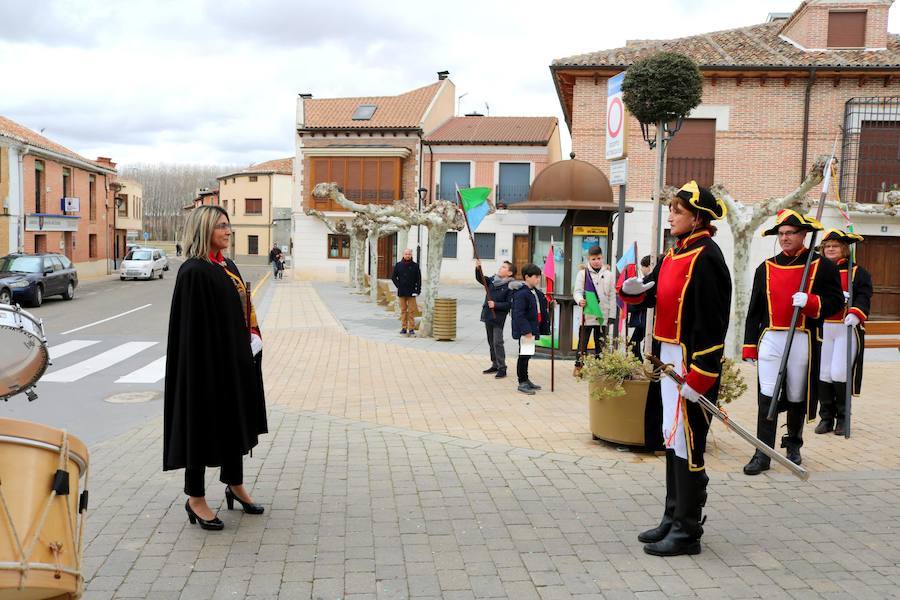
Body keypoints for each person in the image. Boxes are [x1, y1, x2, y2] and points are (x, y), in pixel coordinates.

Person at [620, 181, 732, 557]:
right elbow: (658, 295)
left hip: (690, 362)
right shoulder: (674, 253)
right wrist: (636, 290)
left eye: (677, 211)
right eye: (670, 209)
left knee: (688, 441)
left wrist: (701, 375)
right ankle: (672, 516)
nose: (670, 216)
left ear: (697, 217)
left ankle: (688, 530)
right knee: (672, 437)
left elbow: (713, 322)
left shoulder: (708, 257)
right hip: (668, 358)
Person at [164, 205, 267, 531]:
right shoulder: (195, 271)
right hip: (205, 368)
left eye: (228, 225)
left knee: (235, 420)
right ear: (205, 230)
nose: (228, 230)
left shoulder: (226, 265)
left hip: (234, 362)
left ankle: (234, 484)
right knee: (200, 424)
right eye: (221, 226)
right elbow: (192, 332)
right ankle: (195, 497)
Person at [742, 209, 844, 475]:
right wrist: (749, 344)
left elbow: (835, 302)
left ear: (803, 235)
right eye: (782, 234)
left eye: (790, 233)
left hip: (802, 337)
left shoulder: (823, 266)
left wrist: (811, 302)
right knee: (767, 394)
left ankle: (794, 444)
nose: (785, 238)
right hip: (771, 337)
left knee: (797, 394)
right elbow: (754, 309)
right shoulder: (765, 267)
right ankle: (762, 452)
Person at [815, 229, 873, 436]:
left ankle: (842, 418)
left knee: (839, 372)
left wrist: (856, 313)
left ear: (844, 250)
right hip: (824, 328)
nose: (831, 249)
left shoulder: (859, 272)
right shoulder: (818, 271)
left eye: (835, 246)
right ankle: (826, 418)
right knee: (823, 373)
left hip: (846, 328)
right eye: (827, 246)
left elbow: (865, 295)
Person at [475, 258, 521, 379]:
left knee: (497, 342)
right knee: (491, 342)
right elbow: (481, 279)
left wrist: (496, 305)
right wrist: (478, 268)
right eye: (501, 266)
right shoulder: (492, 280)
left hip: (498, 317)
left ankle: (502, 367)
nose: (501, 268)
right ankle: (494, 364)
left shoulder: (510, 286)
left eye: (504, 267)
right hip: (488, 315)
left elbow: (509, 304)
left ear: (510, 273)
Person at [511, 263, 550, 395]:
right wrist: (526, 330)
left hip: (533, 328)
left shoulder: (534, 291)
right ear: (527, 277)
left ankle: (526, 379)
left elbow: (541, 302)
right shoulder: (521, 294)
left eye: (539, 277)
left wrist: (550, 303)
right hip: (526, 330)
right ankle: (522, 382)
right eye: (536, 277)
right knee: (524, 355)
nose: (538, 280)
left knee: (528, 355)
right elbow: (518, 314)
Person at [573, 246, 616, 366]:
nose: (596, 261)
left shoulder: (609, 274)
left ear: (602, 258)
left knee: (601, 343)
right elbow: (577, 291)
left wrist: (612, 315)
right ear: (588, 259)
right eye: (593, 259)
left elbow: (612, 296)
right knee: (583, 342)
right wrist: (580, 300)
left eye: (599, 258)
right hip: (587, 314)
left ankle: (600, 368)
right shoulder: (582, 274)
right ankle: (579, 366)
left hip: (603, 314)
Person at [391, 248, 421, 336]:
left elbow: (418, 280)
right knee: (403, 311)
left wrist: (418, 290)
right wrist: (398, 286)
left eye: (409, 254)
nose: (407, 255)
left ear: (411, 255)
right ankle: (404, 328)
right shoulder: (398, 265)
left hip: (412, 292)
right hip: (402, 292)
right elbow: (393, 277)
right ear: (403, 255)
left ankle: (411, 328)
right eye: (406, 254)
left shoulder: (415, 266)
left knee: (411, 311)